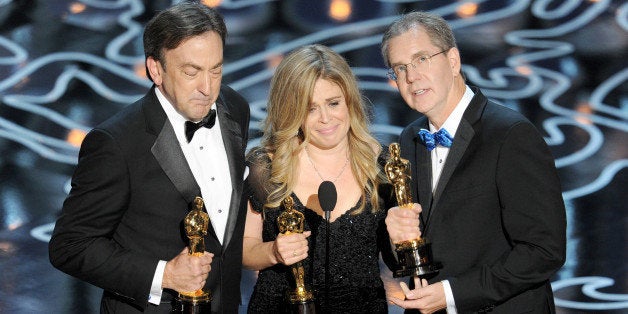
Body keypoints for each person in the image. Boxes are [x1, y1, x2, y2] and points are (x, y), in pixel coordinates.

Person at [48, 2, 250, 313]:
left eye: (216, 69)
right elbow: (70, 246)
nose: (207, 88)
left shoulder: (235, 108)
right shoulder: (115, 142)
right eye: (191, 71)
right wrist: (165, 274)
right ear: (156, 69)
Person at [381, 11, 567, 314]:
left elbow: (544, 251)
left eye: (421, 59)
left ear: (453, 60)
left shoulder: (511, 135)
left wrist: (453, 294)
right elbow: (414, 249)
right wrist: (395, 237)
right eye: (399, 68)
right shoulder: (408, 139)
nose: (411, 76)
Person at [242, 44, 397, 313]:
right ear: (291, 110)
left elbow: (395, 258)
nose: (326, 118)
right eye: (310, 108)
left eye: (333, 103)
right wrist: (274, 252)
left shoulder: (382, 165)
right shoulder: (265, 166)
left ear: (349, 100)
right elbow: (245, 249)